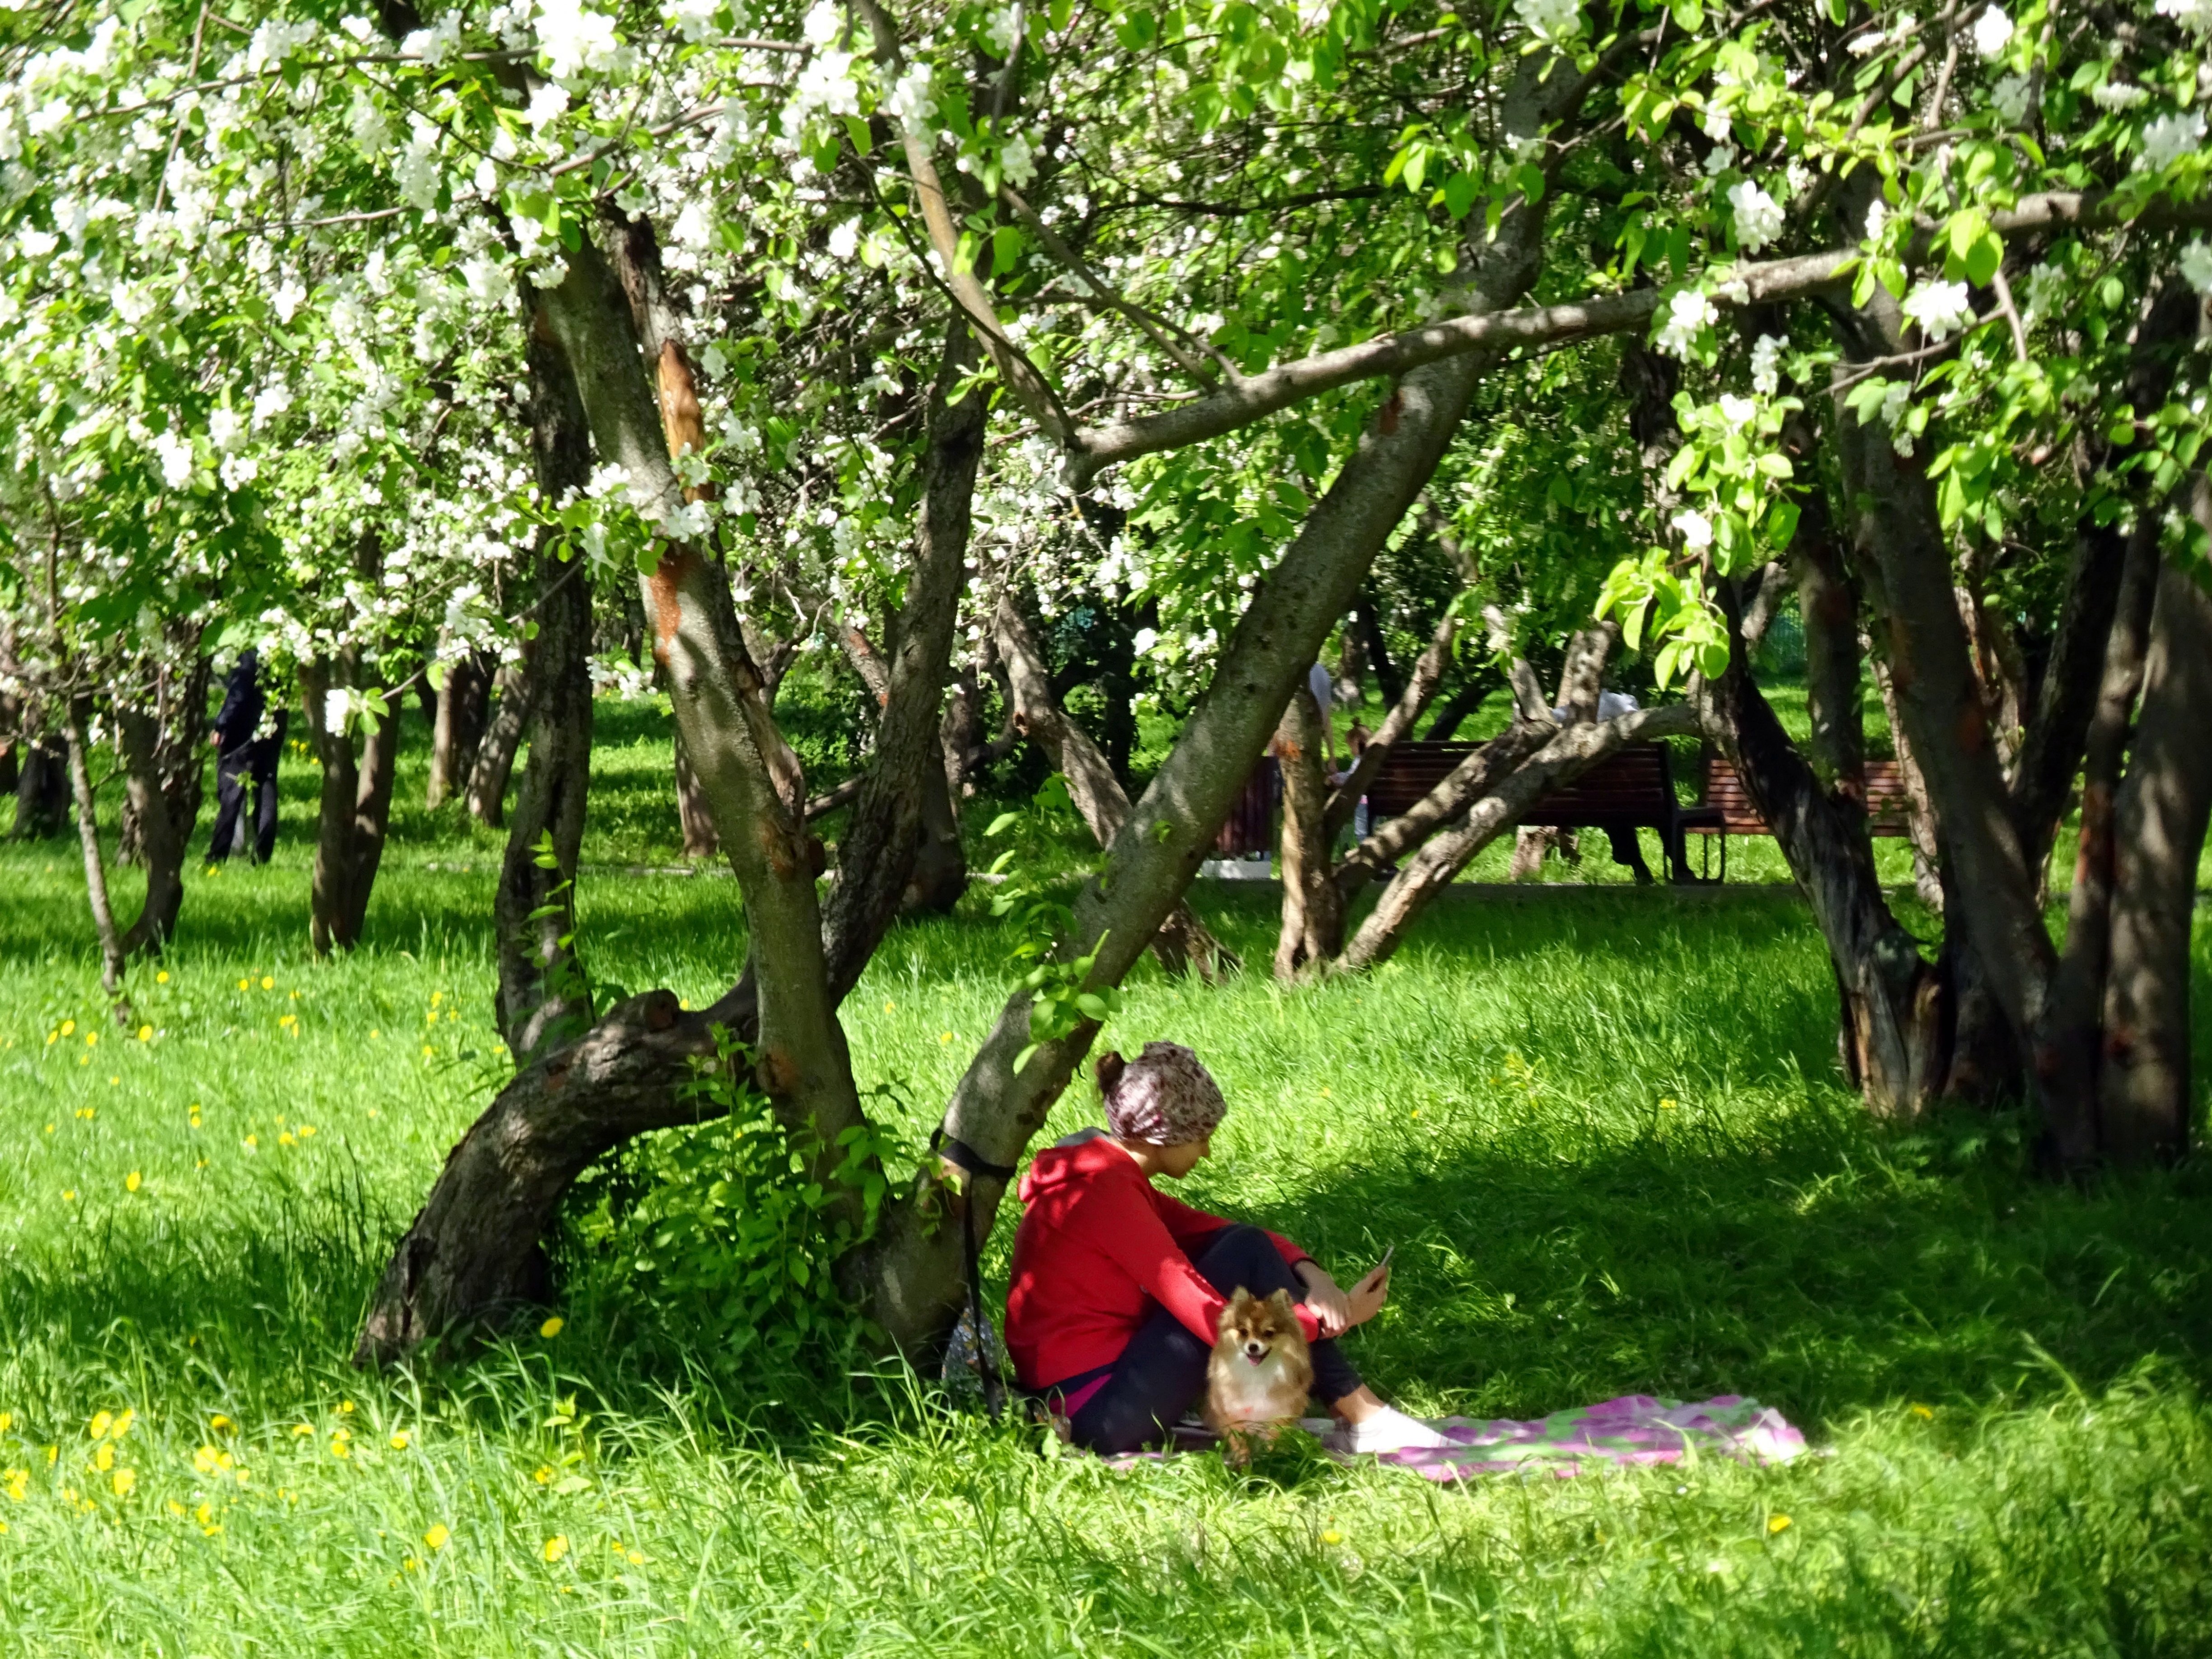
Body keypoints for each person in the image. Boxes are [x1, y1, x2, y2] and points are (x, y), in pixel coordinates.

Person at [1005, 1041, 1452, 1456]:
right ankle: (1361, 1414)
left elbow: (1232, 1235)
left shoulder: (1104, 1177)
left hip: (1090, 1398)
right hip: (1098, 1416)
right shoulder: (1108, 1195)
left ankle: (1355, 1411)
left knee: (1243, 1244)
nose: (1206, 1153)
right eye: (1201, 1136)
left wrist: (1315, 1278)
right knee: (1240, 1257)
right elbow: (1203, 1315)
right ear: (1164, 1132)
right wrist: (1332, 1320)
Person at [204, 648, 284, 864]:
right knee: (266, 786)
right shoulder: (282, 654)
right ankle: (262, 853)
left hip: (243, 733)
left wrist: (221, 725)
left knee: (231, 791)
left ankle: (218, 853)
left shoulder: (251, 654)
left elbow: (238, 693)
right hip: (273, 727)